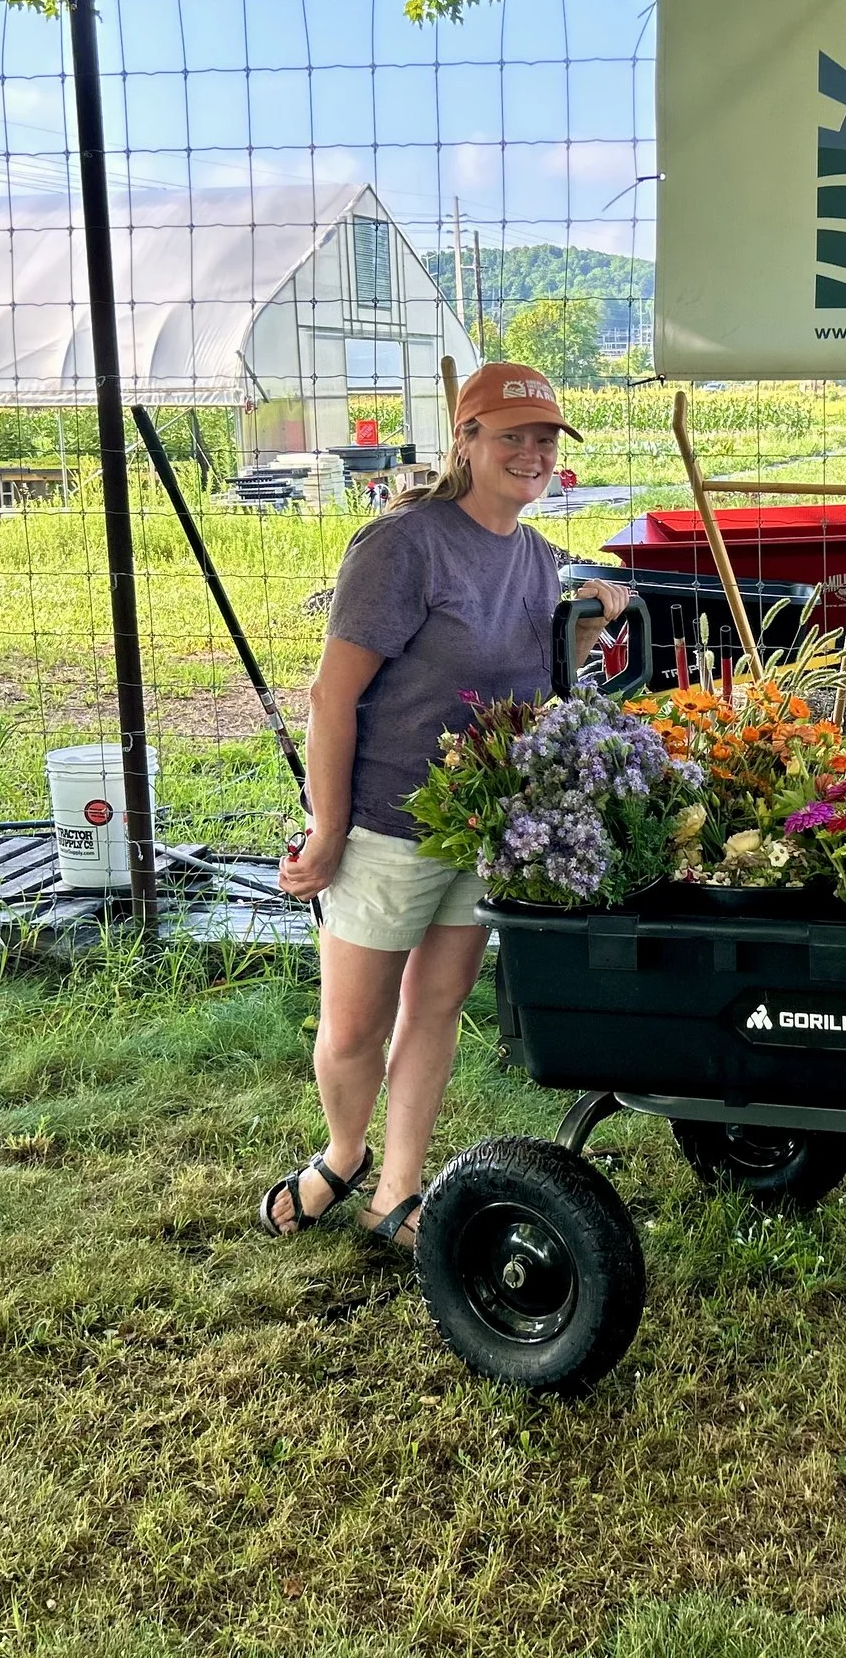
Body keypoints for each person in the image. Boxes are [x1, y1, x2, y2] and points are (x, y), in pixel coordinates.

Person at [262, 362, 631, 1252]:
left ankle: (397, 1189)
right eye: (512, 436)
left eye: (545, 440)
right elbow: (330, 696)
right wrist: (328, 826)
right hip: (390, 824)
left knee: (437, 1003)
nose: (532, 454)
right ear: (465, 440)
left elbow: (537, 685)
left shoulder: (539, 558)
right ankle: (343, 1153)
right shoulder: (405, 545)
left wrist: (587, 622)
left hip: (484, 823)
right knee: (353, 1024)